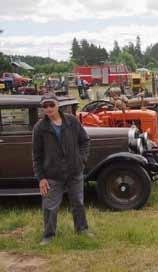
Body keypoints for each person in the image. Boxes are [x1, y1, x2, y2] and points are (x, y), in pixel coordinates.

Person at [32, 93, 92, 246]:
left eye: (51, 104)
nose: (49, 108)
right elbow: (37, 155)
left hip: (74, 170)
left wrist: (82, 159)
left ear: (58, 105)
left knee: (78, 202)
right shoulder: (40, 128)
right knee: (50, 206)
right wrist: (41, 178)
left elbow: (84, 140)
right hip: (53, 174)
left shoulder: (71, 121)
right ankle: (49, 236)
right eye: (45, 106)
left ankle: (82, 229)